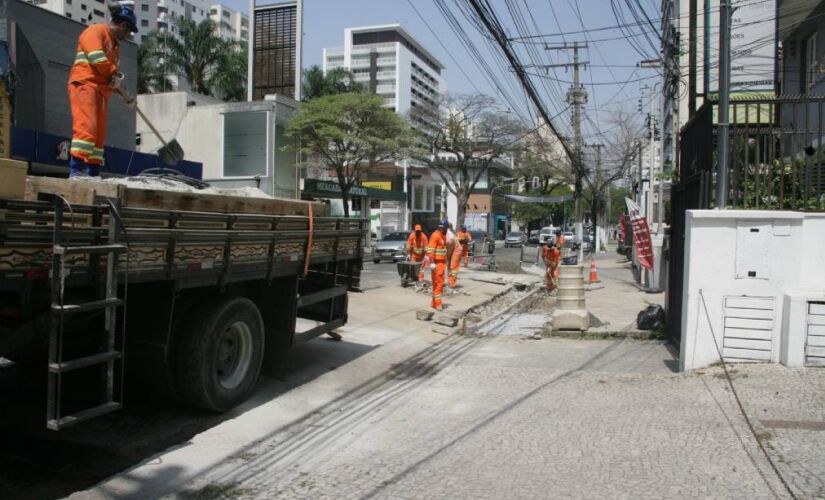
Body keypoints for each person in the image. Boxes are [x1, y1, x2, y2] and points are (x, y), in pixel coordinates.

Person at [67, 5, 138, 177]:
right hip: (85, 85)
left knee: (98, 136)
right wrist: (114, 75)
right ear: (122, 25)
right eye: (128, 31)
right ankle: (76, 170)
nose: (128, 35)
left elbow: (111, 77)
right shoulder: (95, 31)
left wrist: (124, 94)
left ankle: (93, 172)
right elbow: (97, 58)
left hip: (101, 92)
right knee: (87, 128)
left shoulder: (114, 47)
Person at [427, 220, 449, 310]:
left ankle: (434, 303)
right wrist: (432, 263)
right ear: (444, 228)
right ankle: (438, 304)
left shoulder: (441, 236)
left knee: (436, 284)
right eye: (446, 228)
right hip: (436, 263)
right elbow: (430, 250)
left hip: (441, 262)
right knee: (439, 283)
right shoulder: (435, 236)